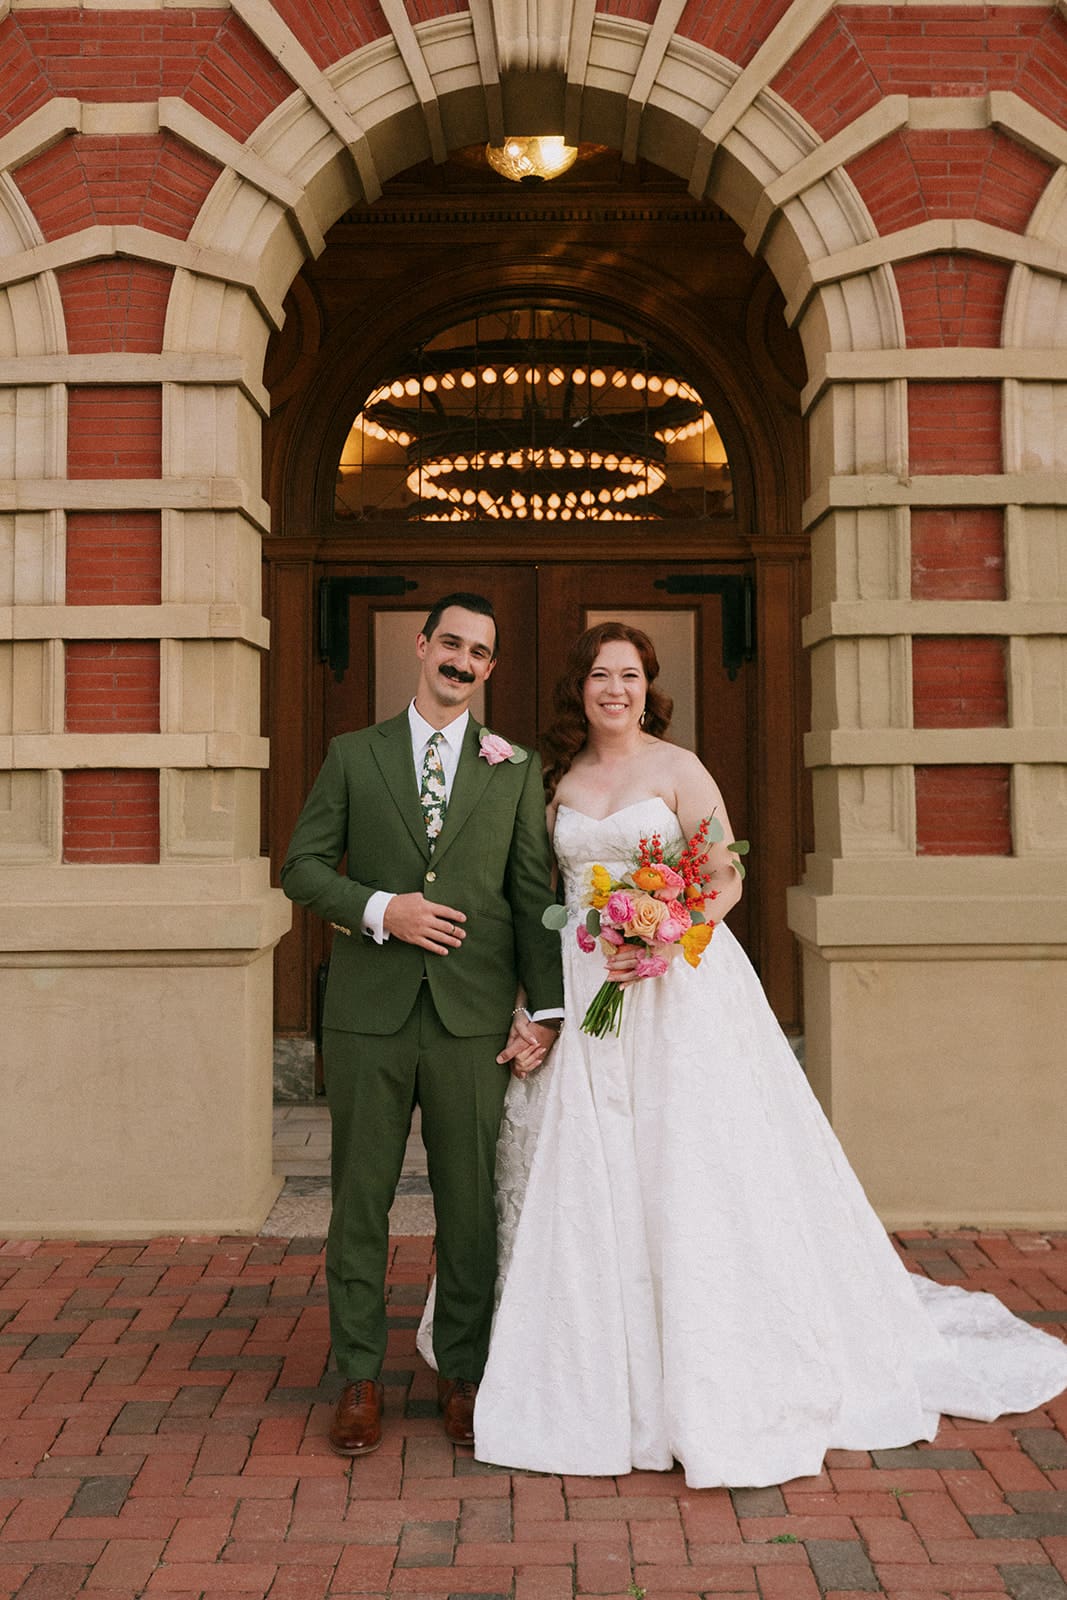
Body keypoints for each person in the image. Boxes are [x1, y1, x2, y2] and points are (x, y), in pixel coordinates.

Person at [448, 620, 1067, 1488]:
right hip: (590, 981)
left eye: (627, 676)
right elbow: (535, 893)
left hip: (677, 982)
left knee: (692, 1162)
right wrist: (542, 1002)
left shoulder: (677, 768)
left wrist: (671, 932)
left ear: (647, 687)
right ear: (577, 690)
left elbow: (724, 874)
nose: (613, 690)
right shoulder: (556, 781)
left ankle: (712, 1354)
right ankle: (587, 1360)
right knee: (588, 1167)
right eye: (597, 676)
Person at [281, 593, 563, 1458]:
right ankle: (358, 1377)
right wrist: (380, 908)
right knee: (359, 1203)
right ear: (421, 645)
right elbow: (299, 869)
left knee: (468, 1207)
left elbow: (531, 896)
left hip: (470, 1020)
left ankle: (464, 1375)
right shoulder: (352, 755)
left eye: (479, 652)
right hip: (369, 1017)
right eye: (451, 643)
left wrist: (546, 1008)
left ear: (489, 669)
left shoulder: (513, 767)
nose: (461, 661)